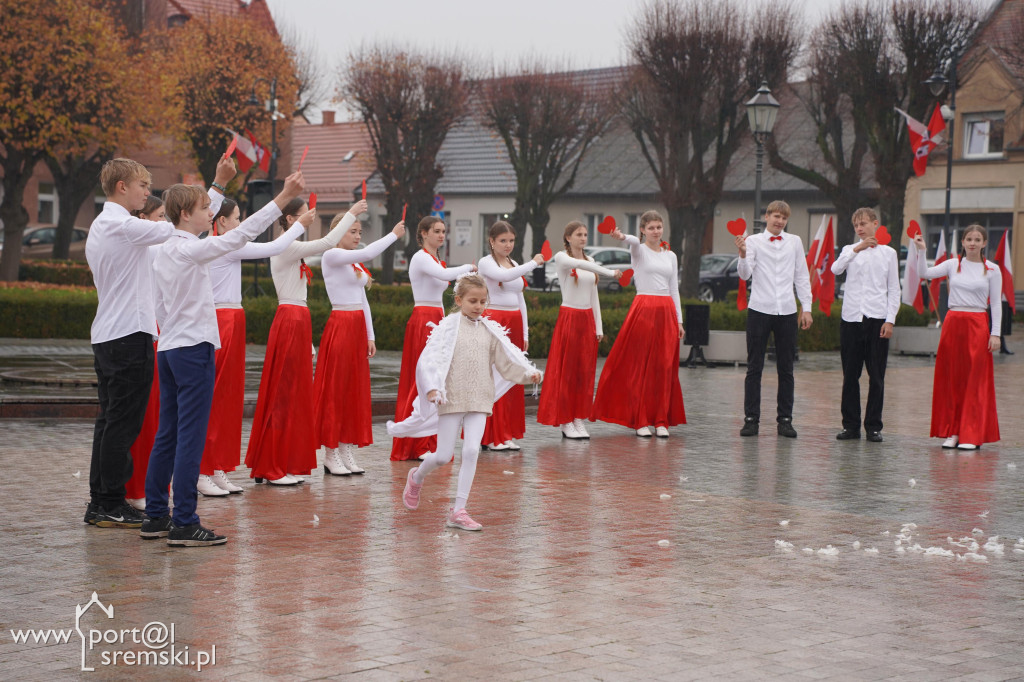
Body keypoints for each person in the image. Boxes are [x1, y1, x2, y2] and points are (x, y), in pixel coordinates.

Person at [141, 170, 307, 546]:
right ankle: (183, 520)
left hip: (168, 348)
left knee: (167, 434)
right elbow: (241, 233)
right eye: (204, 209)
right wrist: (282, 199)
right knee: (189, 439)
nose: (209, 215)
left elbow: (210, 223)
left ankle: (155, 516)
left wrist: (217, 184)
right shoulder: (189, 248)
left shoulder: (165, 245)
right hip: (192, 348)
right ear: (186, 214)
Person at [83, 157, 233, 529]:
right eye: (142, 186)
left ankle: (103, 500)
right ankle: (109, 502)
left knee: (110, 420)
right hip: (127, 335)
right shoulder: (123, 226)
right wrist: (216, 186)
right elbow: (181, 226)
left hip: (108, 334)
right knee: (122, 422)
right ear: (122, 188)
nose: (148, 193)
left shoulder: (106, 225)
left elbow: (181, 222)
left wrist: (212, 189)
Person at [389, 274, 542, 531]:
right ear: (459, 300)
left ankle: (458, 510)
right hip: (451, 396)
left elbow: (506, 362)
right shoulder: (448, 327)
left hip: (480, 397)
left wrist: (529, 375)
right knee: (442, 456)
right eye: (473, 301)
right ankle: (416, 477)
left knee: (471, 451)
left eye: (483, 301)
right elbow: (430, 359)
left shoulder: (490, 330)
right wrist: (432, 388)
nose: (479, 306)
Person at [245, 199, 367, 484]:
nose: (309, 219)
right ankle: (271, 465)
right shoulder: (285, 246)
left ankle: (283, 462)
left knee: (295, 396)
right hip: (290, 317)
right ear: (289, 218)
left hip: (298, 319)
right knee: (282, 395)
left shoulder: (292, 248)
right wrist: (351, 214)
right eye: (303, 215)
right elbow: (327, 242)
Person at [196, 197, 310, 497]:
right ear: (221, 221)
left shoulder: (226, 245)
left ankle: (218, 466)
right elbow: (273, 247)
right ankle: (202, 469)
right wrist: (299, 224)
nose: (239, 224)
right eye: (236, 218)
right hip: (220, 320)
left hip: (235, 318)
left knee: (229, 399)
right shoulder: (221, 245)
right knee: (214, 398)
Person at [314, 215, 407, 476]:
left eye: (359, 231)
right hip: (341, 325)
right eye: (352, 231)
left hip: (356, 328)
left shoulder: (352, 260)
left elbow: (363, 299)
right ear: (338, 231)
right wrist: (393, 235)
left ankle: (345, 448)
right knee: (337, 390)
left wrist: (371, 335)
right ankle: (330, 453)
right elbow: (369, 252)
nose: (357, 236)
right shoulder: (331, 255)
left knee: (353, 391)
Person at [592, 211, 685, 437]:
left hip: (666, 312)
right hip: (644, 309)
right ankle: (641, 420)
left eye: (658, 227)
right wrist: (622, 236)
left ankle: (661, 420)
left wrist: (679, 320)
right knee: (641, 366)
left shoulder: (670, 255)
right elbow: (633, 242)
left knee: (664, 367)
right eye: (651, 227)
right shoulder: (639, 251)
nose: (655, 231)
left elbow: (674, 289)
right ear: (643, 229)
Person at [391, 217, 476, 461]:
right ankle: (415, 443)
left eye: (443, 231)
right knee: (421, 379)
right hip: (423, 318)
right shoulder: (420, 257)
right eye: (436, 231)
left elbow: (447, 280)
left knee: (437, 380)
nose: (441, 235)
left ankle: (431, 441)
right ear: (424, 233)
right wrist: (468, 268)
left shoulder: (437, 259)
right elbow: (443, 274)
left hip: (438, 318)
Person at [913, 225, 1002, 450]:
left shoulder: (992, 269)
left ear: (984, 243)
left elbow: (996, 303)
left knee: (975, 380)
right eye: (968, 239)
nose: (972, 243)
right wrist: (922, 250)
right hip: (953, 323)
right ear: (962, 242)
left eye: (977, 239)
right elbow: (924, 274)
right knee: (952, 378)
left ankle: (971, 434)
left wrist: (996, 333)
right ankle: (952, 431)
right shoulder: (953, 264)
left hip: (977, 324)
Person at [734, 200, 813, 438]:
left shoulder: (795, 242)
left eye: (783, 218)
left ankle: (785, 420)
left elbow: (801, 275)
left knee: (786, 368)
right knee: (754, 367)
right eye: (776, 216)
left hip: (787, 311)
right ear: (766, 216)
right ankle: (751, 419)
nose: (779, 221)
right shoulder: (754, 241)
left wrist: (806, 307)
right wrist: (742, 253)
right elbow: (745, 273)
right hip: (759, 309)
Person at [536, 221, 620, 439]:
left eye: (585, 234)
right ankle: (565, 420)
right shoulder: (562, 258)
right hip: (570, 318)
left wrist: (598, 326)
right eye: (578, 234)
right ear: (568, 238)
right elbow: (585, 267)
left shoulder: (590, 260)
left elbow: (594, 296)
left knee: (584, 373)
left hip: (587, 319)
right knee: (567, 372)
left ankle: (578, 418)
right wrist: (610, 272)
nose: (583, 238)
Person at [830, 208, 900, 442]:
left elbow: (894, 290)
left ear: (875, 224)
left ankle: (873, 426)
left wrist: (890, 320)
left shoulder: (889, 253)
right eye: (856, 225)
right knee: (850, 375)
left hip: (877, 319)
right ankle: (850, 426)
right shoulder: (849, 250)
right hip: (851, 319)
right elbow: (835, 269)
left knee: (876, 376)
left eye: (863, 224)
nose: (860, 228)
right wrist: (856, 249)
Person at [477, 221, 543, 451]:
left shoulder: (514, 263)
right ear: (492, 241)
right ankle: (491, 435)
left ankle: (506, 433)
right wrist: (533, 263)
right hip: (495, 322)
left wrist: (524, 330)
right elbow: (504, 276)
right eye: (502, 240)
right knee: (496, 375)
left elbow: (520, 298)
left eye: (511, 241)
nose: (507, 245)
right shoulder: (485, 263)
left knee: (513, 375)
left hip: (514, 322)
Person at [123, 195, 167, 511]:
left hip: (160, 333)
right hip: (142, 333)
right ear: (143, 218)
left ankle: (152, 485)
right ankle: (135, 487)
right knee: (142, 416)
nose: (164, 222)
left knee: (157, 416)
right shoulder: (143, 247)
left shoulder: (158, 247)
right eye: (160, 216)